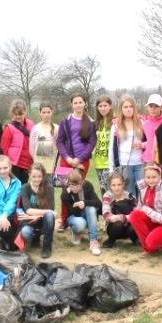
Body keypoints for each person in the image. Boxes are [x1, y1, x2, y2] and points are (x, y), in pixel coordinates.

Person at [56, 93, 97, 229]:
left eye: (80, 102)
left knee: (77, 190)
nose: (78, 105)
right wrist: (67, 157)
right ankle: (63, 220)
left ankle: (78, 218)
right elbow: (60, 141)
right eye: (75, 102)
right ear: (71, 104)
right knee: (64, 190)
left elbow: (92, 143)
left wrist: (79, 159)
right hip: (65, 160)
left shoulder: (90, 122)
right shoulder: (65, 121)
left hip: (82, 161)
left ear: (85, 103)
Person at [109, 94, 146, 197]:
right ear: (121, 109)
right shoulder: (116, 125)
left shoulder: (142, 122)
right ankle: (131, 213)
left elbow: (150, 143)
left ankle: (143, 213)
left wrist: (142, 145)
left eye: (131, 106)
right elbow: (111, 149)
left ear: (134, 108)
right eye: (125, 107)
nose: (128, 109)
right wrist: (111, 169)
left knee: (143, 193)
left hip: (140, 164)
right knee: (130, 195)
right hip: (124, 165)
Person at [17, 163, 56, 258]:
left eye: (39, 176)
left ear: (43, 176)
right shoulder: (25, 188)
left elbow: (51, 209)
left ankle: (47, 247)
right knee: (25, 232)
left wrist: (46, 213)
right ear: (29, 174)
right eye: (34, 176)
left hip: (44, 221)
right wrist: (44, 212)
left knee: (50, 217)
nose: (37, 179)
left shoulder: (49, 188)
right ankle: (34, 239)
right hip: (29, 221)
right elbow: (28, 210)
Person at [60, 168, 102, 255]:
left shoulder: (87, 186)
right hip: (74, 217)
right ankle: (76, 232)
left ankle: (93, 241)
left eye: (77, 185)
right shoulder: (65, 193)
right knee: (80, 223)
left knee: (91, 208)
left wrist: (84, 203)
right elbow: (72, 211)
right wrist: (71, 196)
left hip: (87, 215)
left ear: (82, 182)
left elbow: (99, 203)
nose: (75, 188)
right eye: (72, 185)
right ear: (68, 183)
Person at [0, 99, 35, 184]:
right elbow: (4, 148)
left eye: (20, 114)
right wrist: (5, 164)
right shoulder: (9, 128)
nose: (18, 117)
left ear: (25, 112)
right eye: (15, 114)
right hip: (14, 164)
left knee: (24, 188)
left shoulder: (31, 124)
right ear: (12, 114)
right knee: (15, 189)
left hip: (27, 163)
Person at [101, 172, 138, 248]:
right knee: (118, 224)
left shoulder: (130, 196)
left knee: (134, 227)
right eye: (113, 185)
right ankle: (111, 239)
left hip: (128, 225)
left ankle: (134, 238)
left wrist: (121, 217)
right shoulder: (107, 196)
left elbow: (137, 214)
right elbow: (106, 215)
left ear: (123, 184)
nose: (116, 188)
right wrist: (115, 219)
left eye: (119, 185)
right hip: (114, 226)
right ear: (110, 186)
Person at [29, 103, 59, 178]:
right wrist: (36, 161)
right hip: (39, 164)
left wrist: (56, 163)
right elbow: (32, 148)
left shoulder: (57, 128)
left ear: (52, 112)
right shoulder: (35, 128)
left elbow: (59, 147)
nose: (46, 115)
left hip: (52, 164)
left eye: (48, 112)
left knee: (50, 187)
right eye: (44, 112)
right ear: (40, 113)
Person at [93, 95, 114, 195]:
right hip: (98, 162)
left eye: (105, 105)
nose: (103, 108)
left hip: (109, 162)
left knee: (111, 191)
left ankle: (113, 210)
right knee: (103, 190)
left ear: (110, 106)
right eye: (100, 106)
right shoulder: (96, 123)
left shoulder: (115, 122)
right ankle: (105, 210)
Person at [141, 94, 162, 164]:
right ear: (147, 107)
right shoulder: (144, 124)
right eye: (150, 106)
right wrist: (142, 145)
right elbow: (147, 141)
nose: (153, 109)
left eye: (156, 106)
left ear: (161, 108)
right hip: (147, 161)